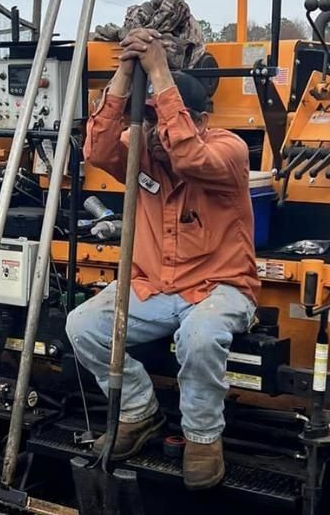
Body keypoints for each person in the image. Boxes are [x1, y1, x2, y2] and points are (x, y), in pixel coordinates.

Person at [65, 28, 259, 490]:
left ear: (202, 119)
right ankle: (138, 411)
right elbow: (97, 147)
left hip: (220, 288)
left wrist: (159, 70)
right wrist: (124, 73)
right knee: (83, 325)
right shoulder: (143, 154)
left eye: (168, 122)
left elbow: (190, 156)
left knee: (199, 335)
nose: (159, 133)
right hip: (155, 285)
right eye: (149, 121)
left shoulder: (228, 150)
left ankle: (203, 436)